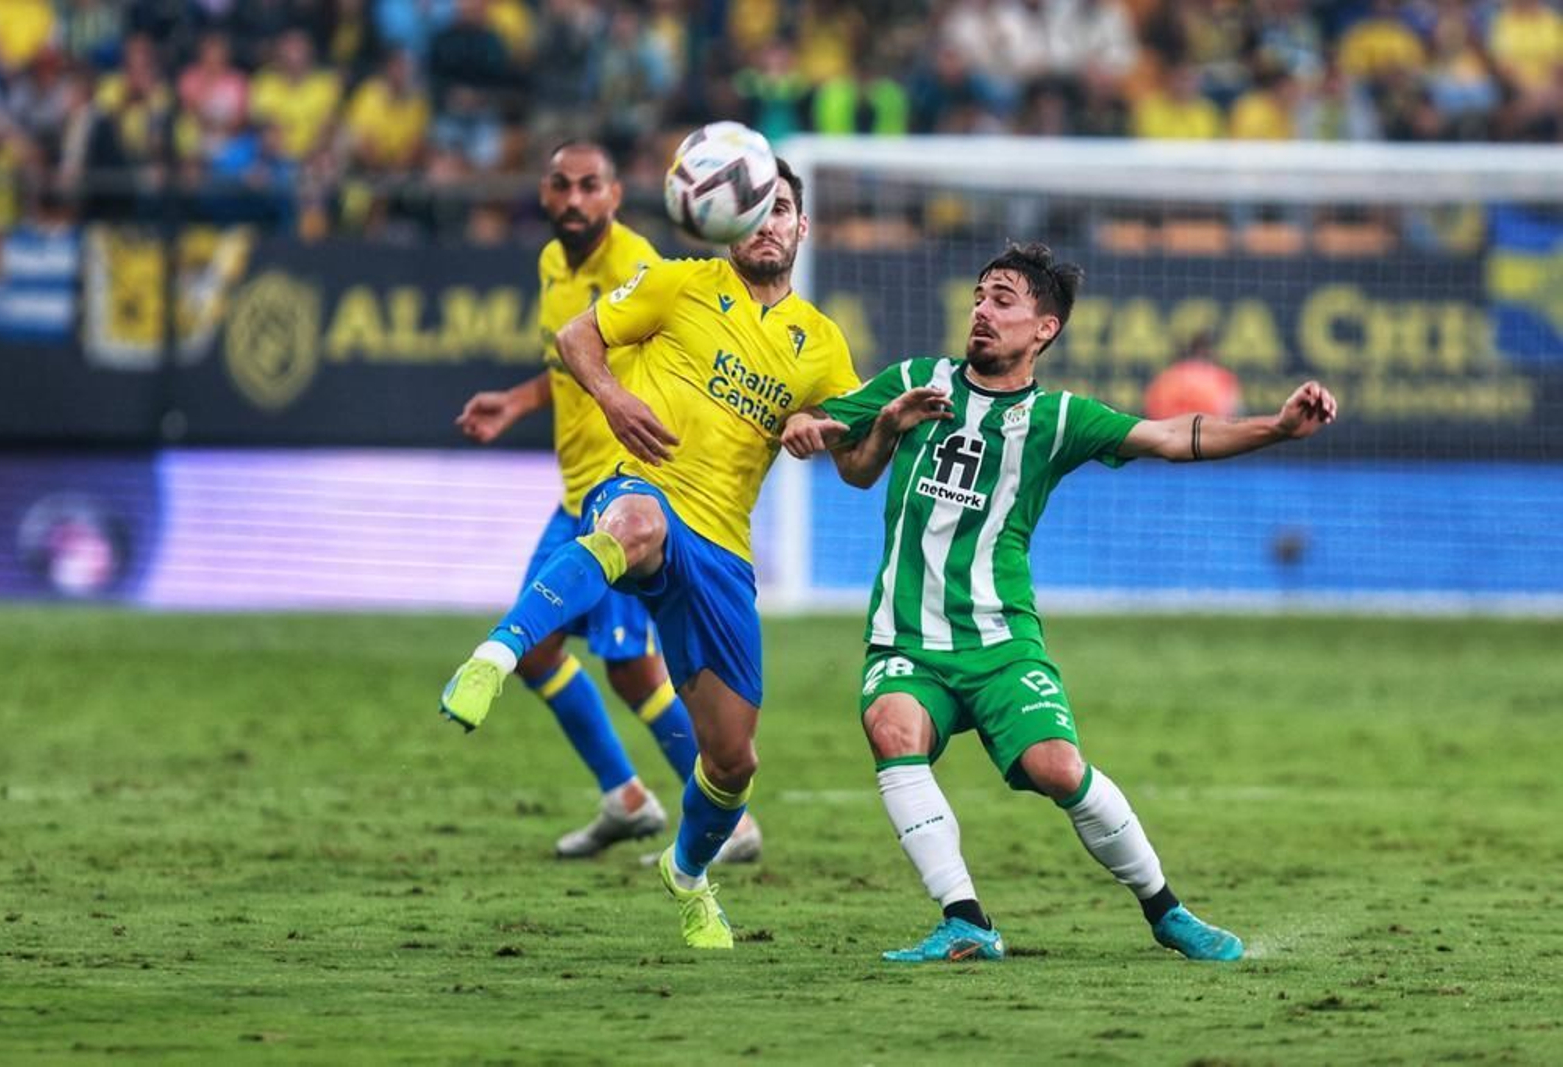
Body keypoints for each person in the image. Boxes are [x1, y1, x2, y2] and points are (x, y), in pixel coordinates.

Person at [781, 241, 1337, 963]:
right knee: (892, 728)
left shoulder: (1060, 418)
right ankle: (966, 919)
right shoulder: (916, 379)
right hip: (906, 637)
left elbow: (1173, 435)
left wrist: (1278, 427)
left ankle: (1167, 910)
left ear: (1044, 328)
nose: (982, 311)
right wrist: (866, 423)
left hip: (1001, 639)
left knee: (1058, 768)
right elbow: (852, 465)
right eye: (979, 297)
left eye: (1003, 300)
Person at [441, 158, 859, 948]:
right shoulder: (675, 281)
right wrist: (614, 398)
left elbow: (859, 463)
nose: (767, 222)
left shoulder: (823, 344)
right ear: (726, 219)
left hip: (723, 552)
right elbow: (576, 340)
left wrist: (840, 431)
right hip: (634, 487)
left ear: (803, 226)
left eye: (781, 209)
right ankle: (493, 654)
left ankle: (687, 871)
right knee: (632, 529)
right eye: (755, 208)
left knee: (732, 760)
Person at [452, 141, 759, 863]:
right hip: (574, 493)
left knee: (632, 667)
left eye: (590, 186)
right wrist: (518, 401)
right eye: (561, 185)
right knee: (539, 650)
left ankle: (733, 824)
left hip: (623, 495)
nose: (574, 200)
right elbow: (572, 362)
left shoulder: (639, 267)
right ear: (543, 192)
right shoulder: (552, 264)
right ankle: (625, 797)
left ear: (616, 196)